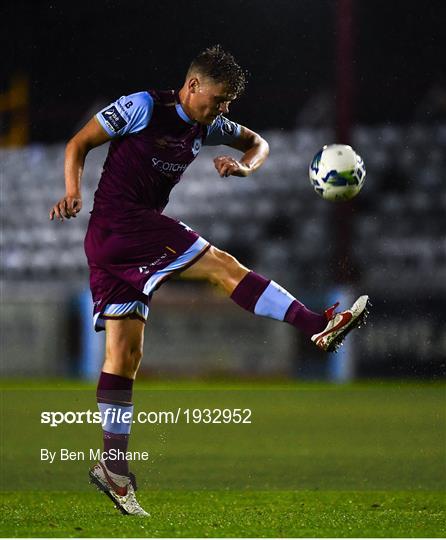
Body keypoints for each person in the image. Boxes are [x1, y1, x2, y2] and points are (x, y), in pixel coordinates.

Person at [49, 45, 369, 516]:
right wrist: (73, 192)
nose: (223, 111)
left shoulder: (208, 124)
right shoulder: (142, 106)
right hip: (122, 224)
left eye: (227, 105)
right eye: (218, 100)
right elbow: (79, 143)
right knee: (221, 265)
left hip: (111, 245)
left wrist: (244, 166)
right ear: (193, 84)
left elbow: (258, 143)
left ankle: (113, 468)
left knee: (126, 355)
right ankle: (315, 323)